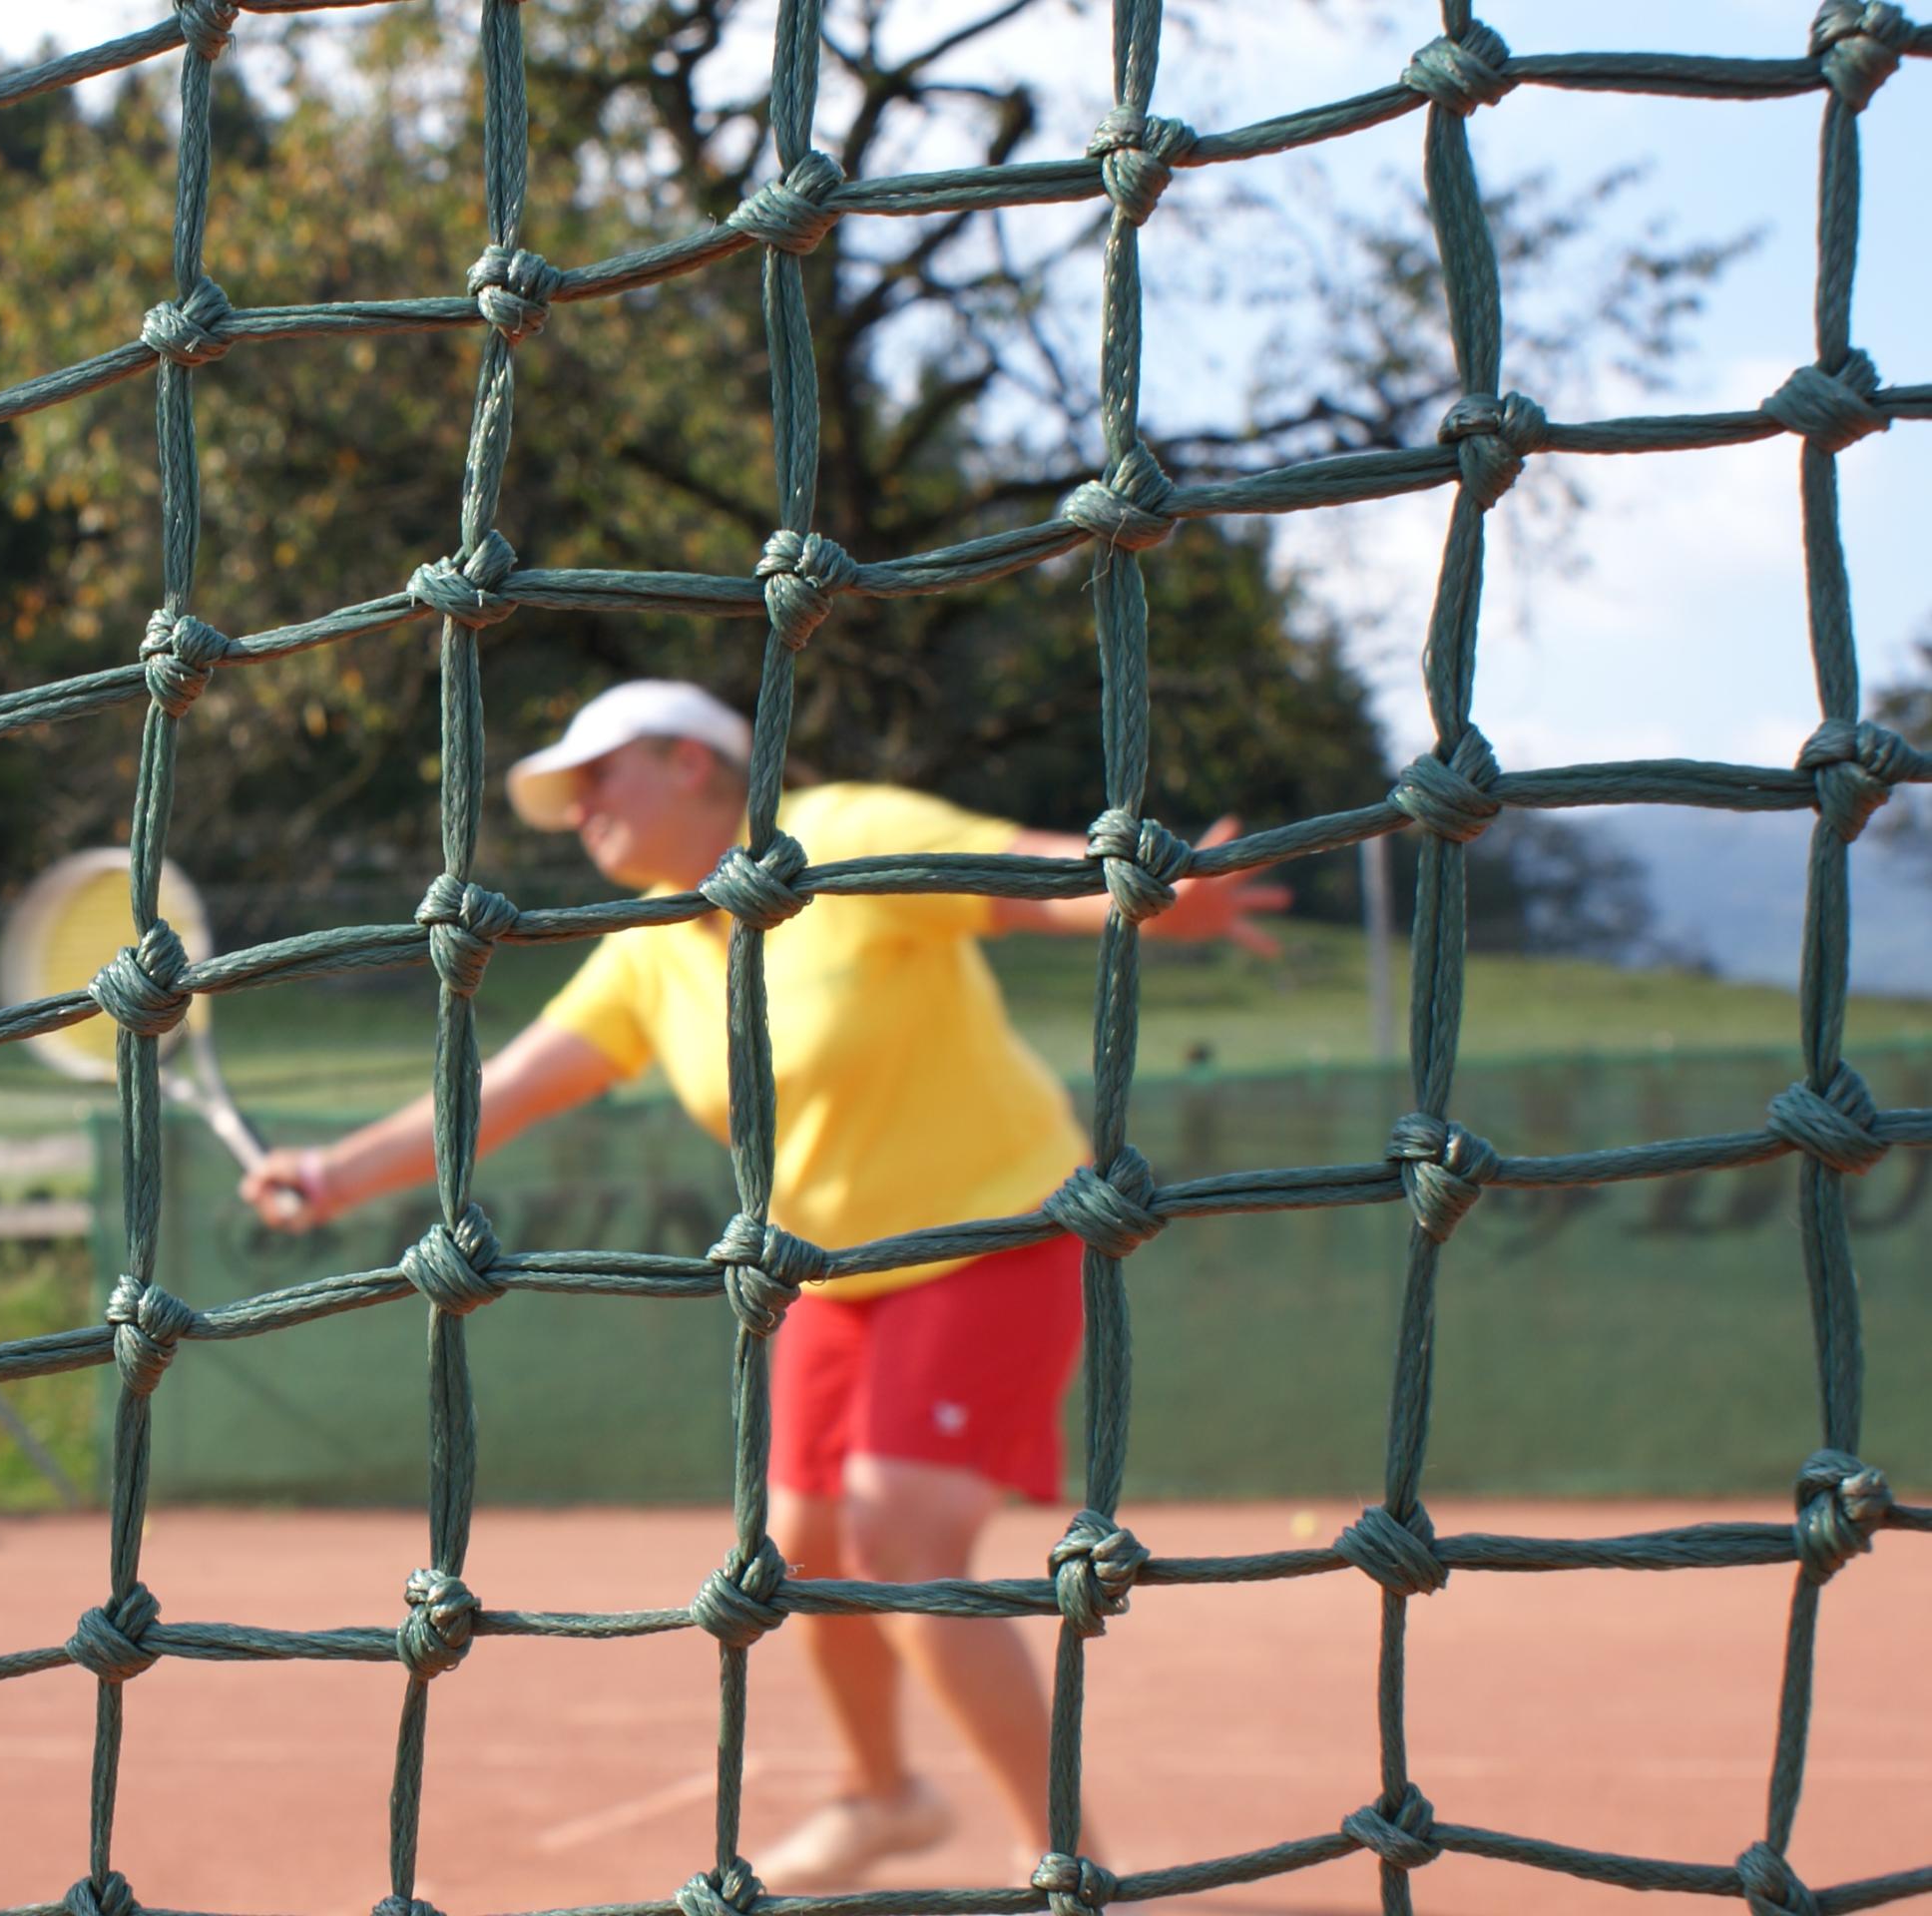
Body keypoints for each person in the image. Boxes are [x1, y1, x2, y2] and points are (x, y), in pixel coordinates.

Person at [238, 680, 1285, 1887]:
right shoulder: (652, 942)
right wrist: (329, 1175)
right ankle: (882, 1801)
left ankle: (1065, 1867)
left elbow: (1036, 876)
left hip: (998, 1232)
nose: (579, 812)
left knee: (902, 1540)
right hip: (832, 1275)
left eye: (598, 778)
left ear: (691, 763)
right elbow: (500, 1090)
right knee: (803, 1550)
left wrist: (1155, 896)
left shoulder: (843, 833)